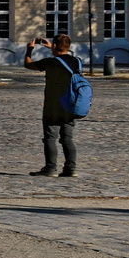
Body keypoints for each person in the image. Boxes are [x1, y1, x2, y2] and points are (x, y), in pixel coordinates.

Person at [23, 33, 82, 177]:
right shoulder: (77, 61)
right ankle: (70, 169)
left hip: (53, 106)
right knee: (67, 138)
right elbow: (65, 59)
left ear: (55, 46)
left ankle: (50, 168)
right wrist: (53, 48)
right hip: (71, 105)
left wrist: (29, 50)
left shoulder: (50, 62)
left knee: (50, 138)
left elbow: (28, 64)